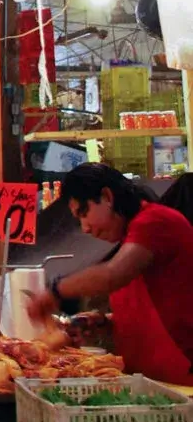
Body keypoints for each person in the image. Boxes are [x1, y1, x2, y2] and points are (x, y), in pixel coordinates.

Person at [28, 163, 193, 383]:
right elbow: (159, 305)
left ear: (107, 196)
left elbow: (111, 275)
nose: (85, 228)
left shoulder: (154, 222)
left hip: (182, 381)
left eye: (84, 213)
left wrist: (55, 291)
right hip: (153, 383)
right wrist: (106, 324)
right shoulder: (132, 236)